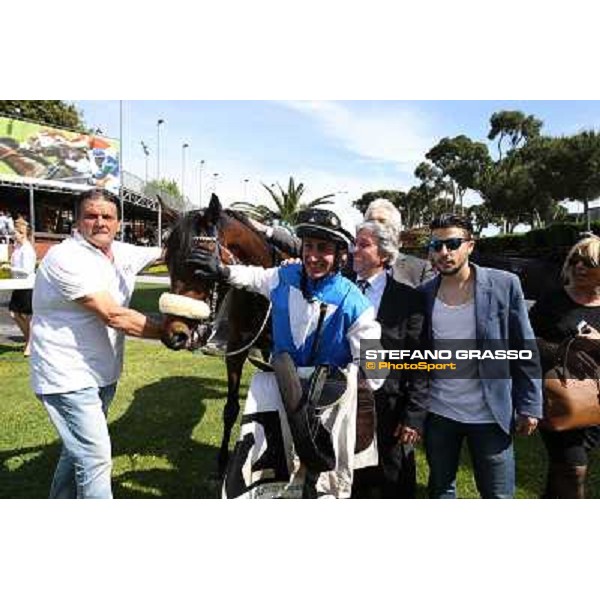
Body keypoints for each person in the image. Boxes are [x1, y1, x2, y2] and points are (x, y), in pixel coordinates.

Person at [187, 208, 384, 498]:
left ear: (341, 254)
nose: (313, 256)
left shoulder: (355, 303)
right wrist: (223, 270)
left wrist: (358, 381)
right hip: (281, 392)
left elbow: (377, 372)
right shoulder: (283, 276)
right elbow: (254, 277)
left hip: (327, 404)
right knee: (273, 481)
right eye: (308, 247)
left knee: (321, 486)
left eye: (324, 248)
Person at [30, 188, 164, 499]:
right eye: (91, 215)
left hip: (102, 376)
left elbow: (170, 252)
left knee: (75, 452)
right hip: (66, 377)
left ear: (118, 222)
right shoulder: (65, 257)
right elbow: (114, 315)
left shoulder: (121, 250)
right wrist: (169, 333)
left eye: (107, 216)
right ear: (77, 222)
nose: (100, 222)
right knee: (95, 458)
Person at [420, 213, 542, 499]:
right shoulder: (423, 293)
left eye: (452, 243)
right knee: (440, 491)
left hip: (490, 413)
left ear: (470, 245)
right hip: (439, 412)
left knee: (498, 496)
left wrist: (530, 403)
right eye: (436, 245)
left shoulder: (504, 285)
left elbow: (524, 347)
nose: (444, 252)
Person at [350, 220, 428, 498]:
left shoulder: (409, 299)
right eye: (354, 243)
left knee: (392, 483)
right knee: (351, 481)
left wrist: (414, 416)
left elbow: (419, 360)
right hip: (346, 404)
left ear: (383, 254)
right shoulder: (342, 291)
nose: (353, 250)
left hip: (391, 411)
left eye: (363, 245)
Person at [529, 235, 600, 498]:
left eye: (589, 262)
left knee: (563, 470)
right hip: (559, 399)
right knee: (574, 468)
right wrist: (562, 351)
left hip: (595, 404)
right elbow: (524, 341)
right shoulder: (552, 301)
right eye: (574, 260)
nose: (579, 267)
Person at [364, 198, 434, 288]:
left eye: (382, 222)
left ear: (396, 230)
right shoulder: (348, 270)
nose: (376, 228)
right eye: (371, 222)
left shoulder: (421, 271)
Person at [4, 221, 36, 356]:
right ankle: (31, 340)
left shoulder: (27, 250)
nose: (13, 235)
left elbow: (27, 270)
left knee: (28, 316)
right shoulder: (17, 248)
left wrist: (10, 268)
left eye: (16, 233)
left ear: (23, 234)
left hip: (27, 284)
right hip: (18, 284)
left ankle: (30, 343)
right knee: (14, 313)